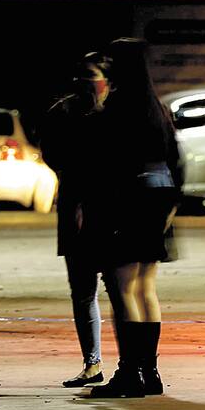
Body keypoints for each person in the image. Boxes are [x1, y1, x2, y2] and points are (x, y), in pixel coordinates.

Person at [88, 38, 182, 398]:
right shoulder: (157, 108)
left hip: (128, 198)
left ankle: (129, 373)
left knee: (122, 287)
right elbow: (176, 158)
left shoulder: (117, 107)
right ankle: (150, 371)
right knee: (146, 287)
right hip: (159, 196)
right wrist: (172, 204)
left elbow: (107, 162)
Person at [41, 52, 119, 388]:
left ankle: (131, 364)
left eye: (91, 75)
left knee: (119, 290)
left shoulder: (119, 111)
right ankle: (93, 362)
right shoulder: (63, 111)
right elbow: (52, 155)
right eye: (81, 75)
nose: (84, 82)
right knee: (83, 290)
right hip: (77, 207)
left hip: (110, 209)